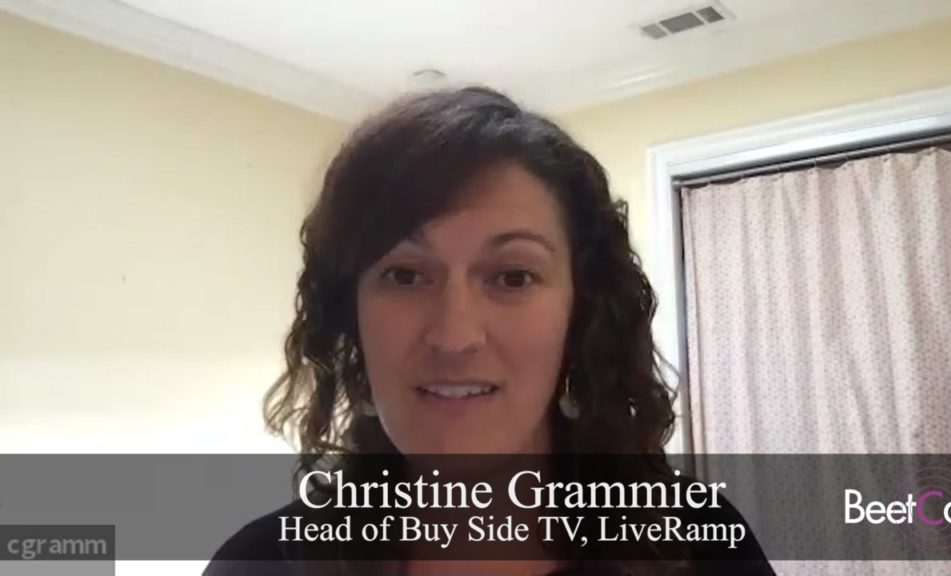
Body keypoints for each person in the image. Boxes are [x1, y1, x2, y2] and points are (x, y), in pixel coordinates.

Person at [206, 86, 775, 575]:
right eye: (405, 275)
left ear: (580, 311)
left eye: (513, 276)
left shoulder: (697, 547)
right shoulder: (260, 563)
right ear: (349, 315)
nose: (455, 336)